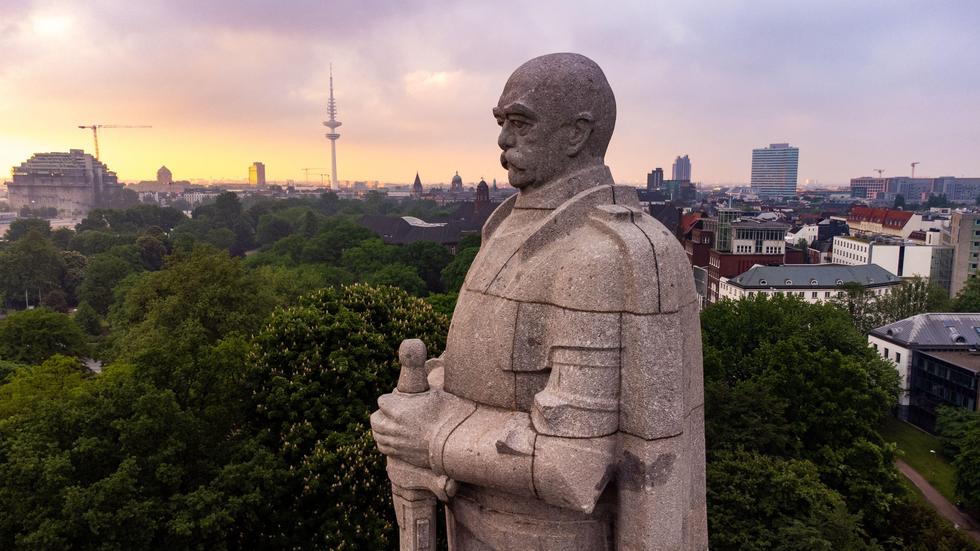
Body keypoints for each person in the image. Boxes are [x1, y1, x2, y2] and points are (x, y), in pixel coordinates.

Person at [372, 52, 707, 550]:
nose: (504, 140)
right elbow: (489, 370)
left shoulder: (599, 257)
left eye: (520, 122)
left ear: (575, 134)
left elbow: (573, 465)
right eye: (501, 122)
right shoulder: (508, 225)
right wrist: (427, 392)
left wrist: (431, 437)